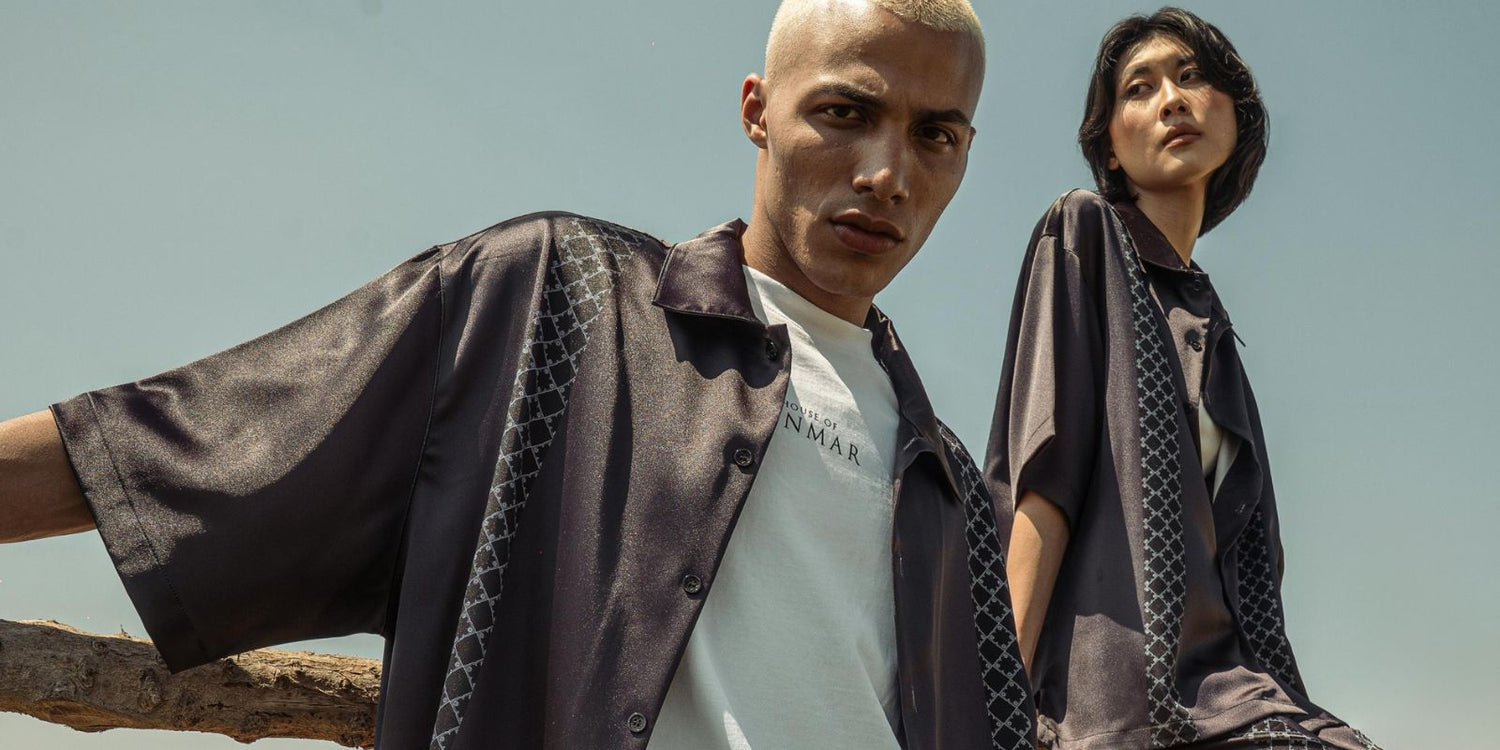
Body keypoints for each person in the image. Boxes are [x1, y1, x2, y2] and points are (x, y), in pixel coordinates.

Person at [0, 1, 1036, 748]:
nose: (887, 174)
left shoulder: (944, 479)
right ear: (758, 109)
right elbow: (188, 442)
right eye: (846, 113)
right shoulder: (558, 299)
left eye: (934, 136)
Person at [986, 7, 1378, 750]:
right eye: (1140, 88)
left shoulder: (1213, 328)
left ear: (1237, 112)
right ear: (1109, 138)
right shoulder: (1084, 233)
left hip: (1238, 695)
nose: (1171, 100)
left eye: (1192, 76)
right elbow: (1044, 478)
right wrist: (996, 711)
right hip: (1121, 704)